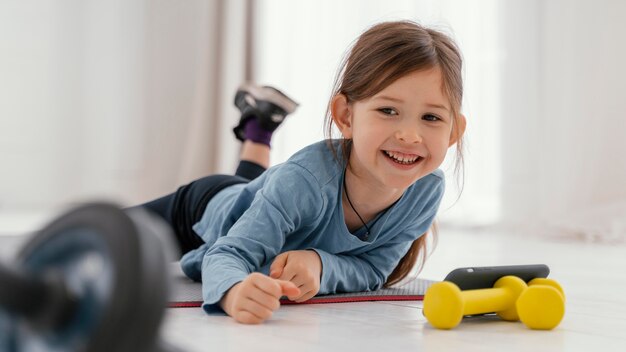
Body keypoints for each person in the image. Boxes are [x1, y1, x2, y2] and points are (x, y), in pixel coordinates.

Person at [139, 20, 466, 325]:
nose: (410, 135)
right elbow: (229, 252)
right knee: (98, 236)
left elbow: (373, 269)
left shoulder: (427, 188)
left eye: (431, 118)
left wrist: (320, 264)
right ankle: (258, 128)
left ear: (454, 131)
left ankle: (259, 126)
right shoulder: (305, 179)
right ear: (346, 116)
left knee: (252, 186)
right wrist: (233, 290)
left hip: (256, 193)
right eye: (388, 110)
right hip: (201, 210)